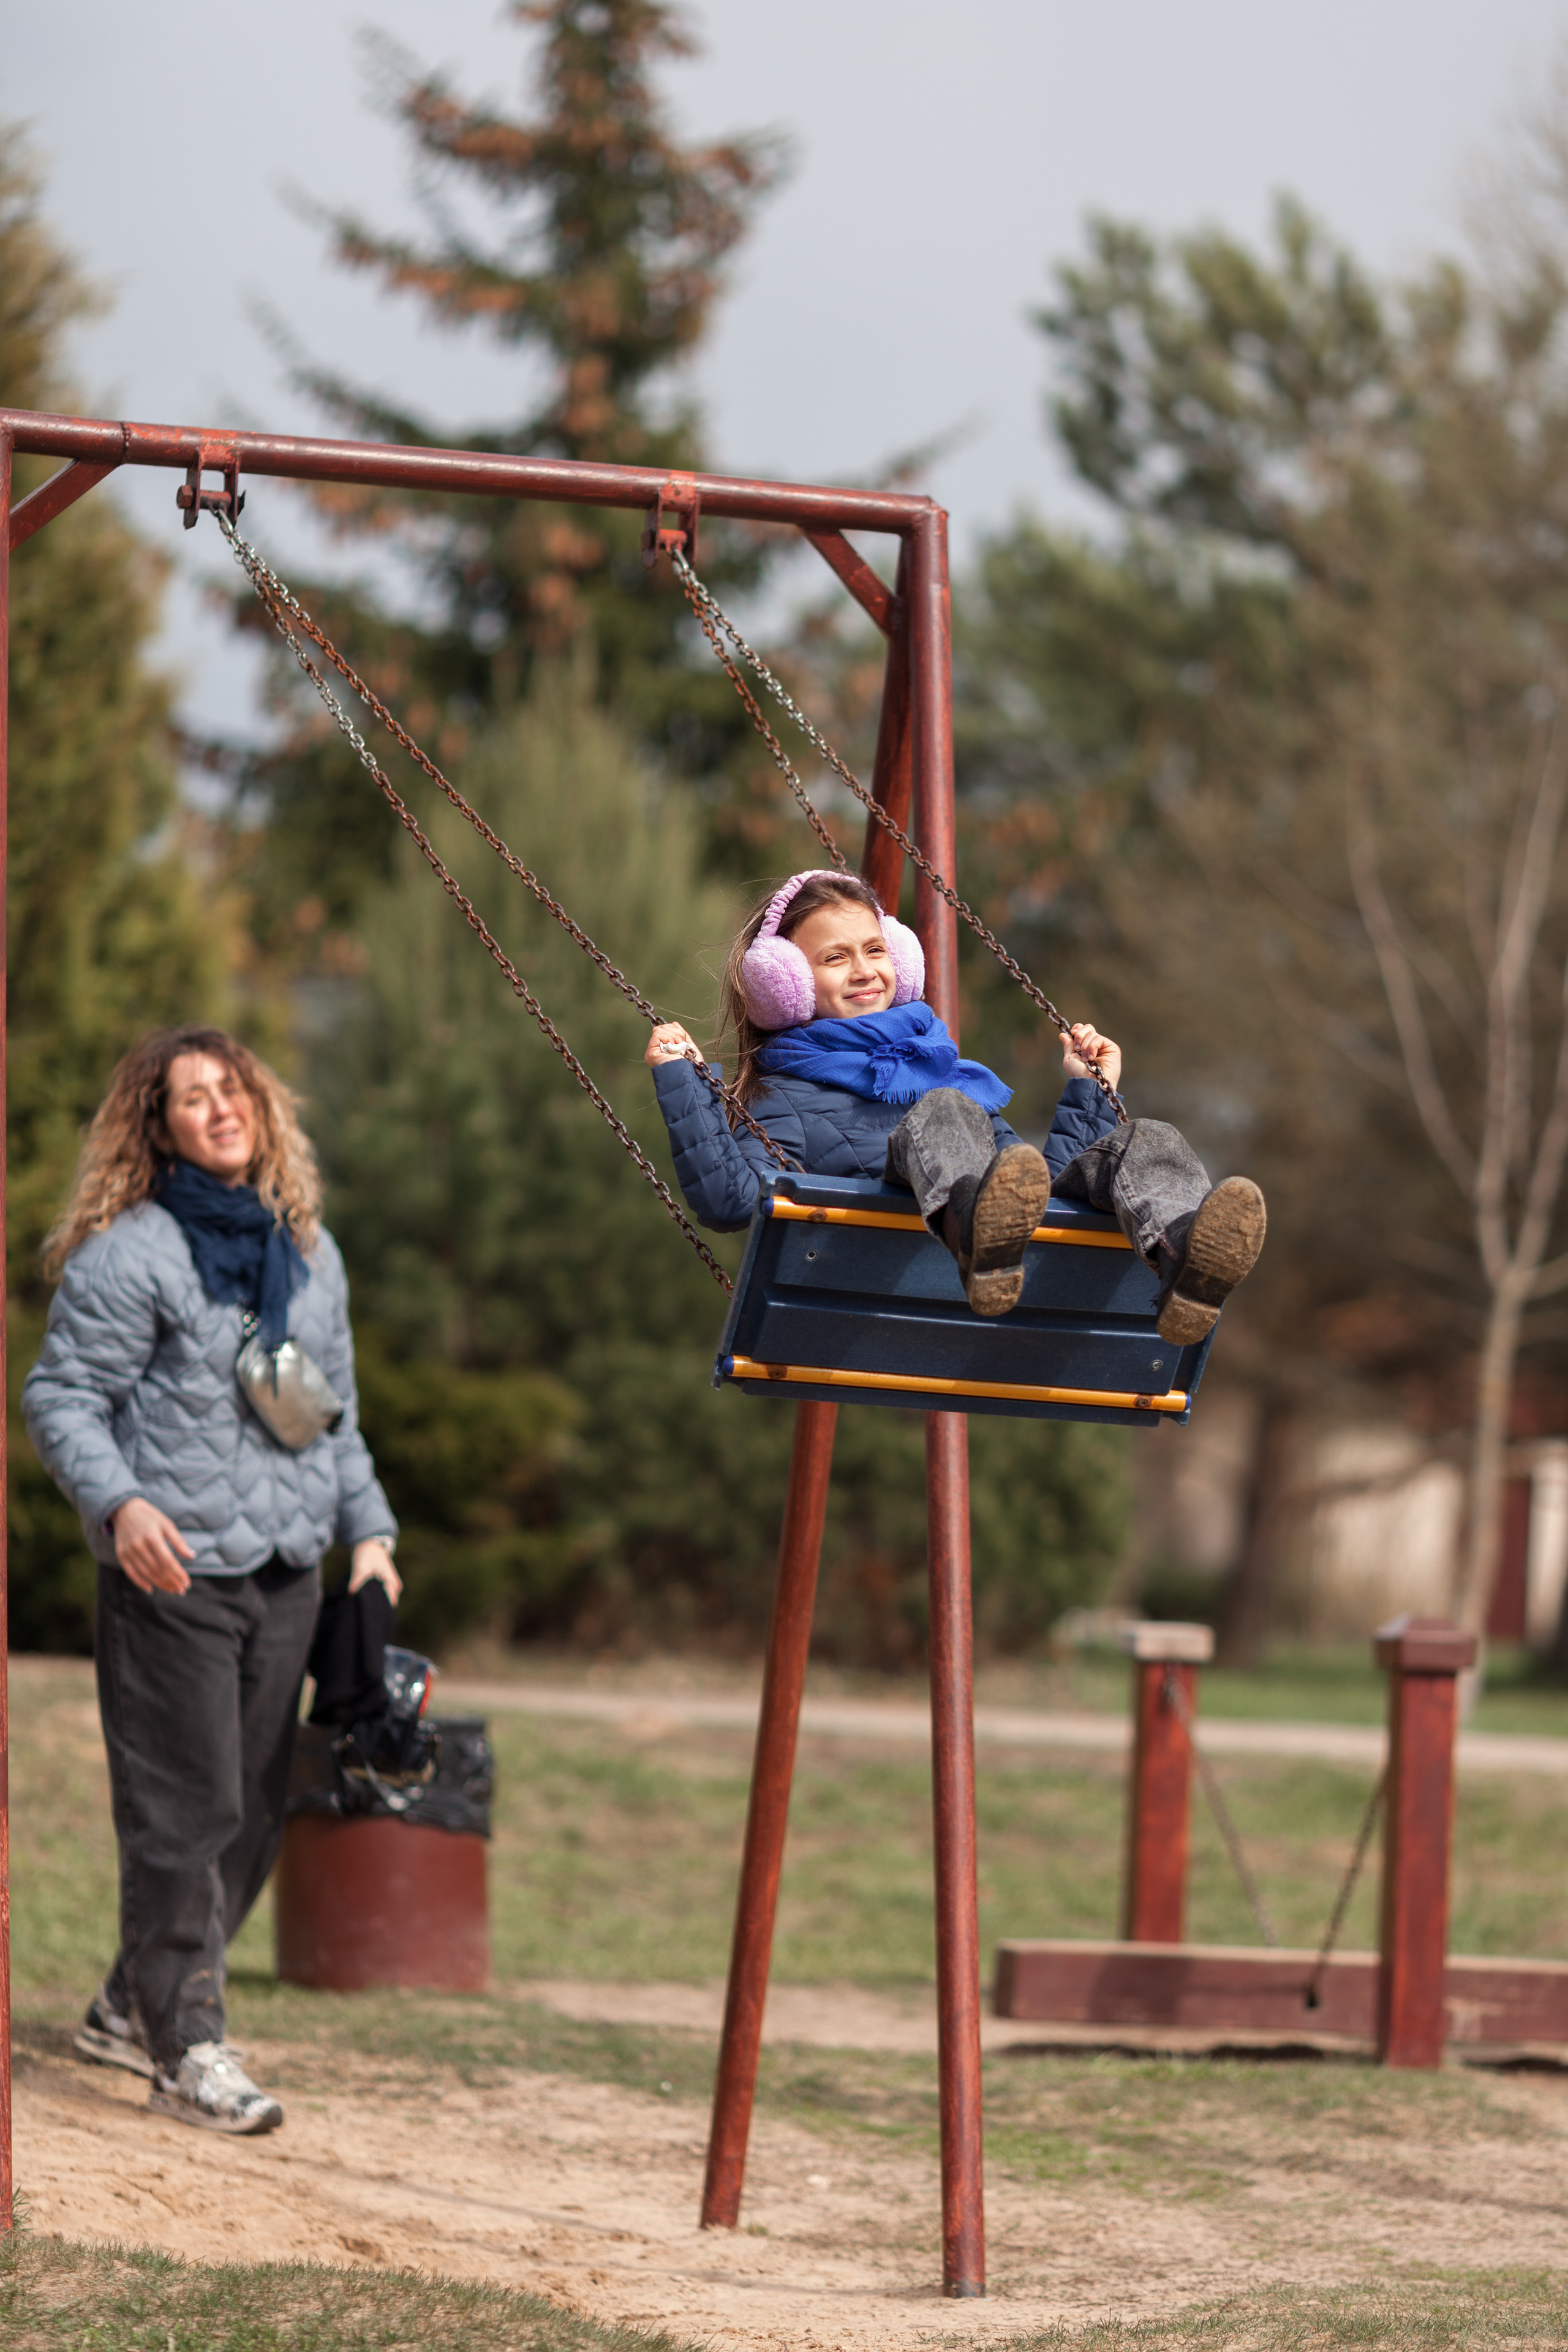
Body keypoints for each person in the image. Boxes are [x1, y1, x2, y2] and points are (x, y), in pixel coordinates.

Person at [22, 1025, 401, 2136]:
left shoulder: (307, 1253)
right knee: (184, 1816)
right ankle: (186, 2048)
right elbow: (61, 1400)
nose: (219, 1108)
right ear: (160, 1127)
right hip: (172, 1575)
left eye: (232, 1088)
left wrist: (368, 1533)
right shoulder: (127, 1255)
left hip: (288, 1569)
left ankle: (124, 2003)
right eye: (192, 1098)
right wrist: (120, 1504)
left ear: (262, 1107)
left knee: (249, 1824)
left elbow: (328, 1415)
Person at [645, 868, 1266, 1332]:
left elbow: (1039, 1191)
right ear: (784, 984)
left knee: (1147, 1138)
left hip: (1016, 1284)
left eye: (875, 950)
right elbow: (729, 1201)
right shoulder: (786, 1100)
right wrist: (683, 1081)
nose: (864, 969)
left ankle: (1186, 1263)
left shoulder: (945, 1072)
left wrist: (1086, 1087)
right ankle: (975, 1238)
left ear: (901, 959)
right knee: (941, 1114)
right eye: (835, 958)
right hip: (902, 1289)